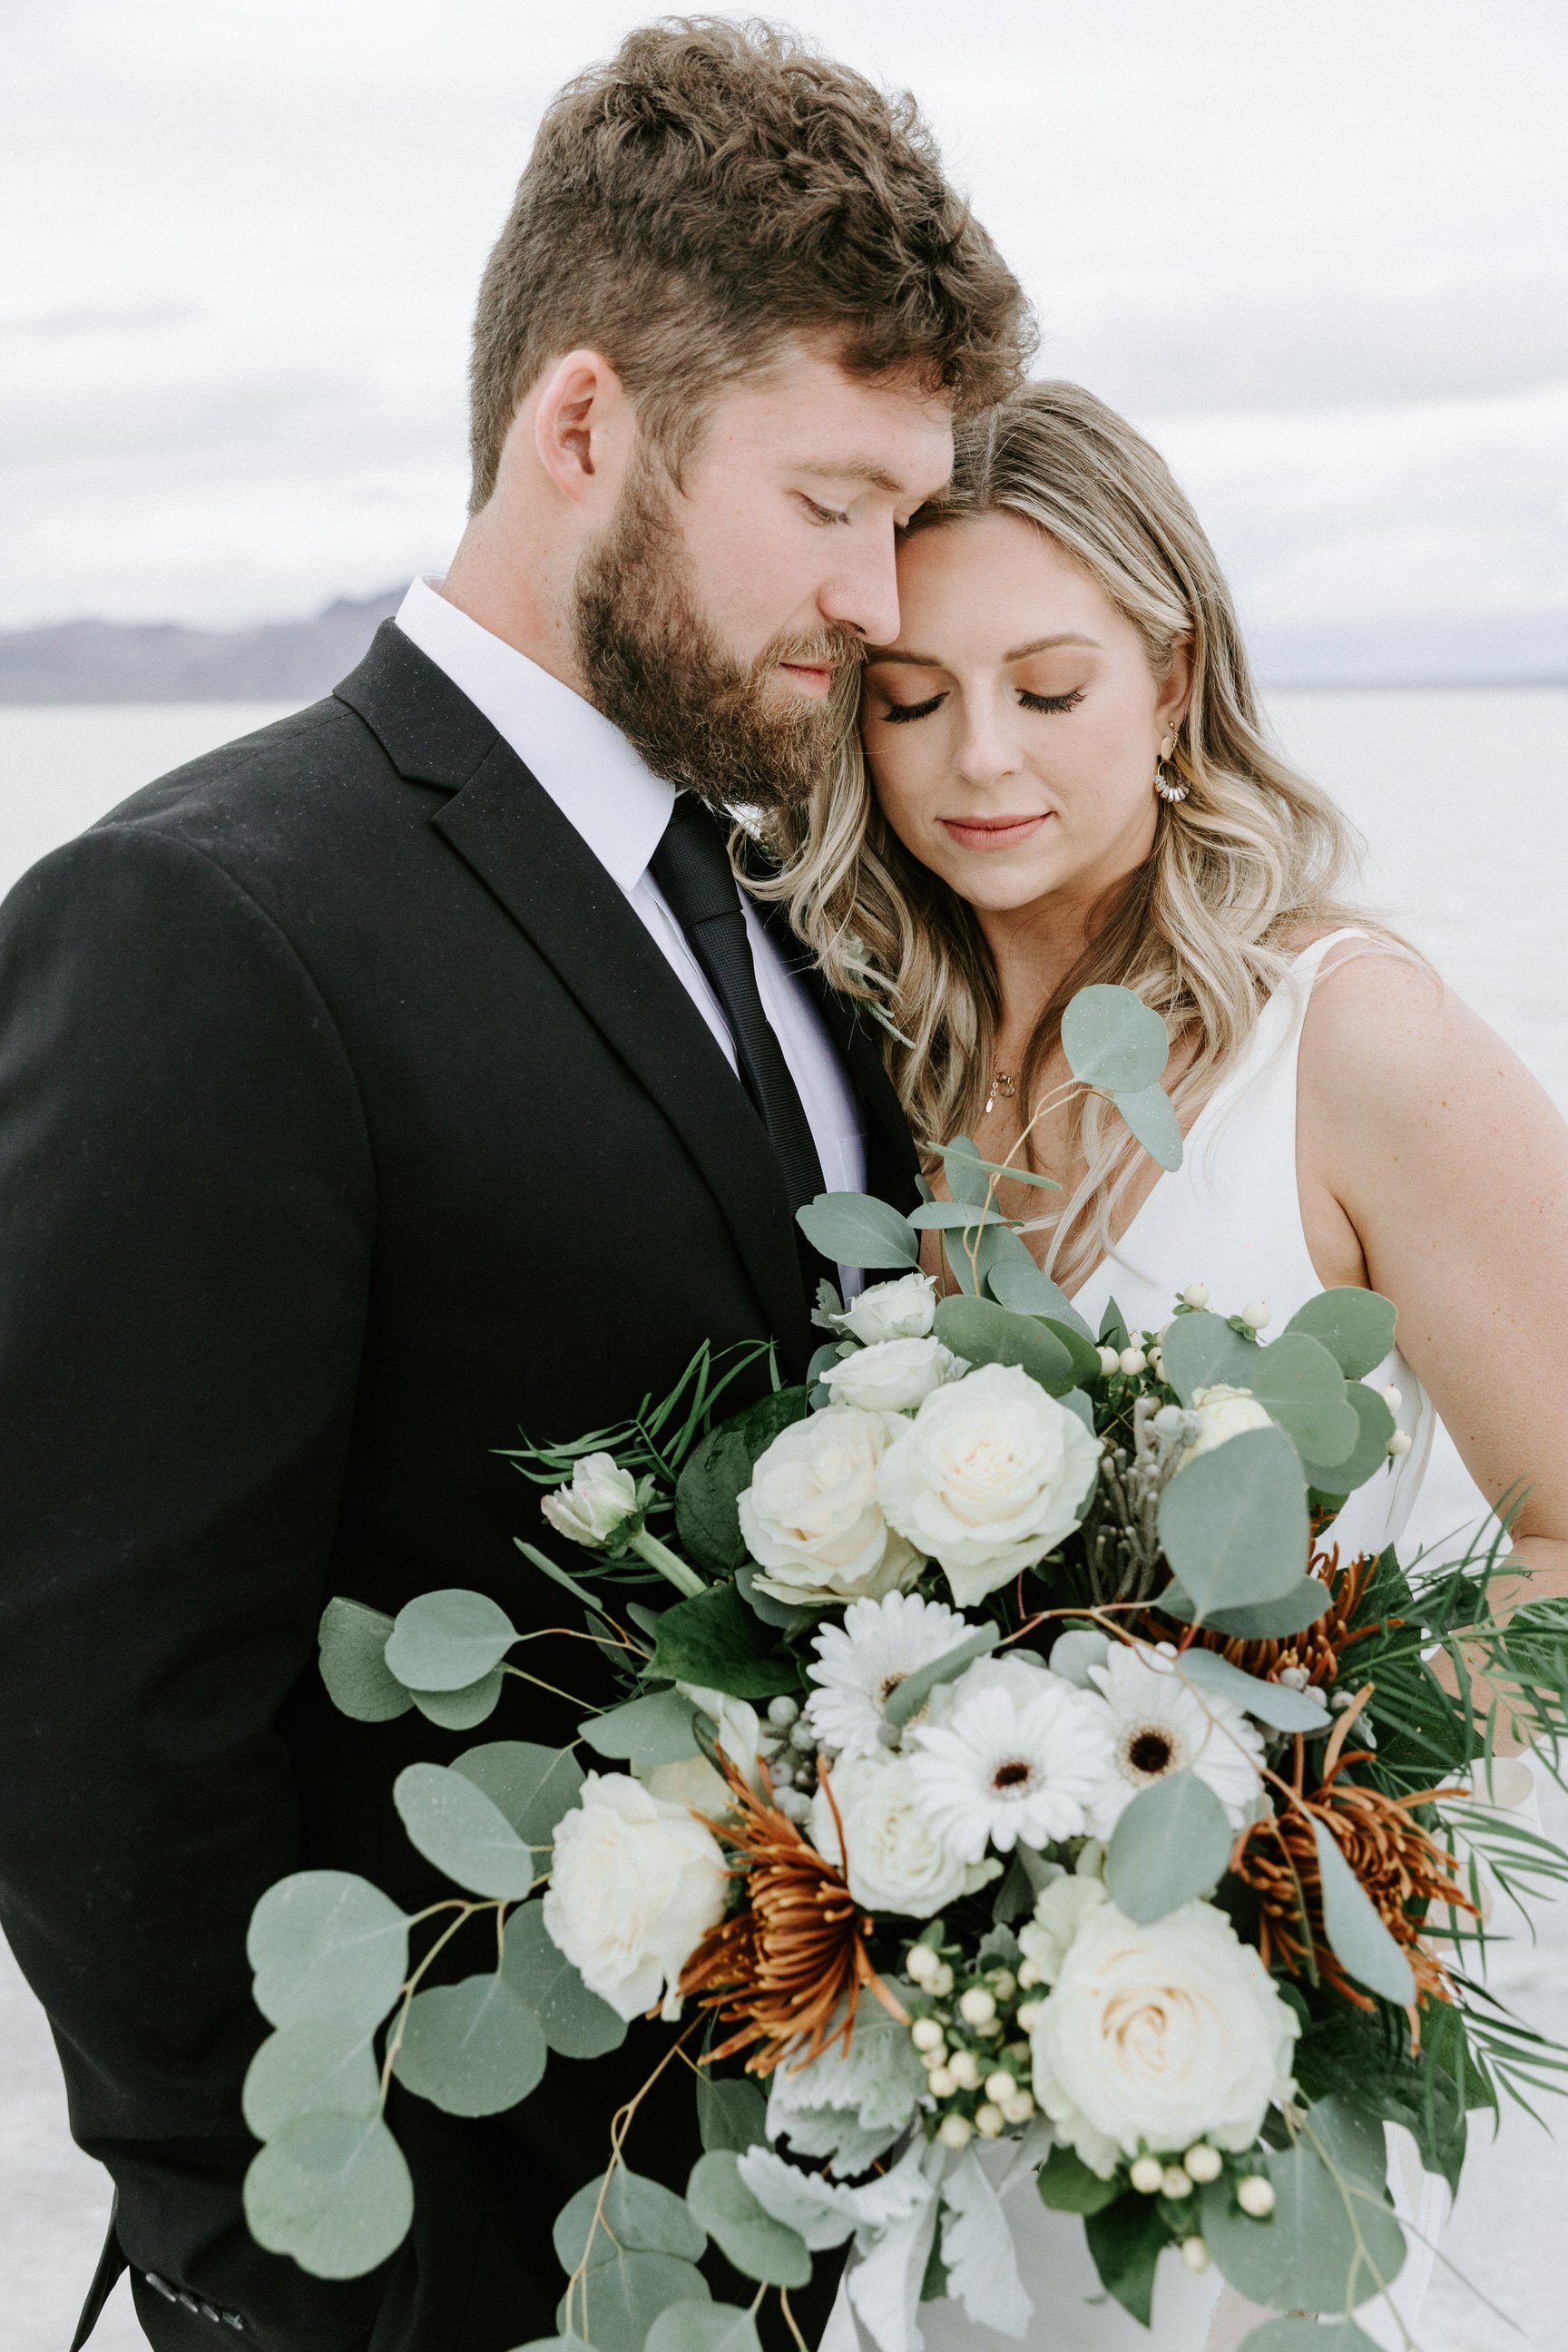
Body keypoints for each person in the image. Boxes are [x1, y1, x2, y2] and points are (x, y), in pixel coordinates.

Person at [0, 24, 1032, 2352]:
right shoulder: (205, 920)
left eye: (907, 511)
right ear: (585, 426)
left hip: (803, 2232)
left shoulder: (780, 903)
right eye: (832, 498)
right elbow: (91, 1721)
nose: (880, 591)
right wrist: (293, 2276)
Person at [765, 379, 1568, 2349]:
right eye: (913, 696)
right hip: (980, 2046)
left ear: (1175, 675)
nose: (978, 762)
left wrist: (1274, 1812)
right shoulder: (866, 1058)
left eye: (1049, 688)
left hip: (1299, 2011)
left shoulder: (1350, 1044)